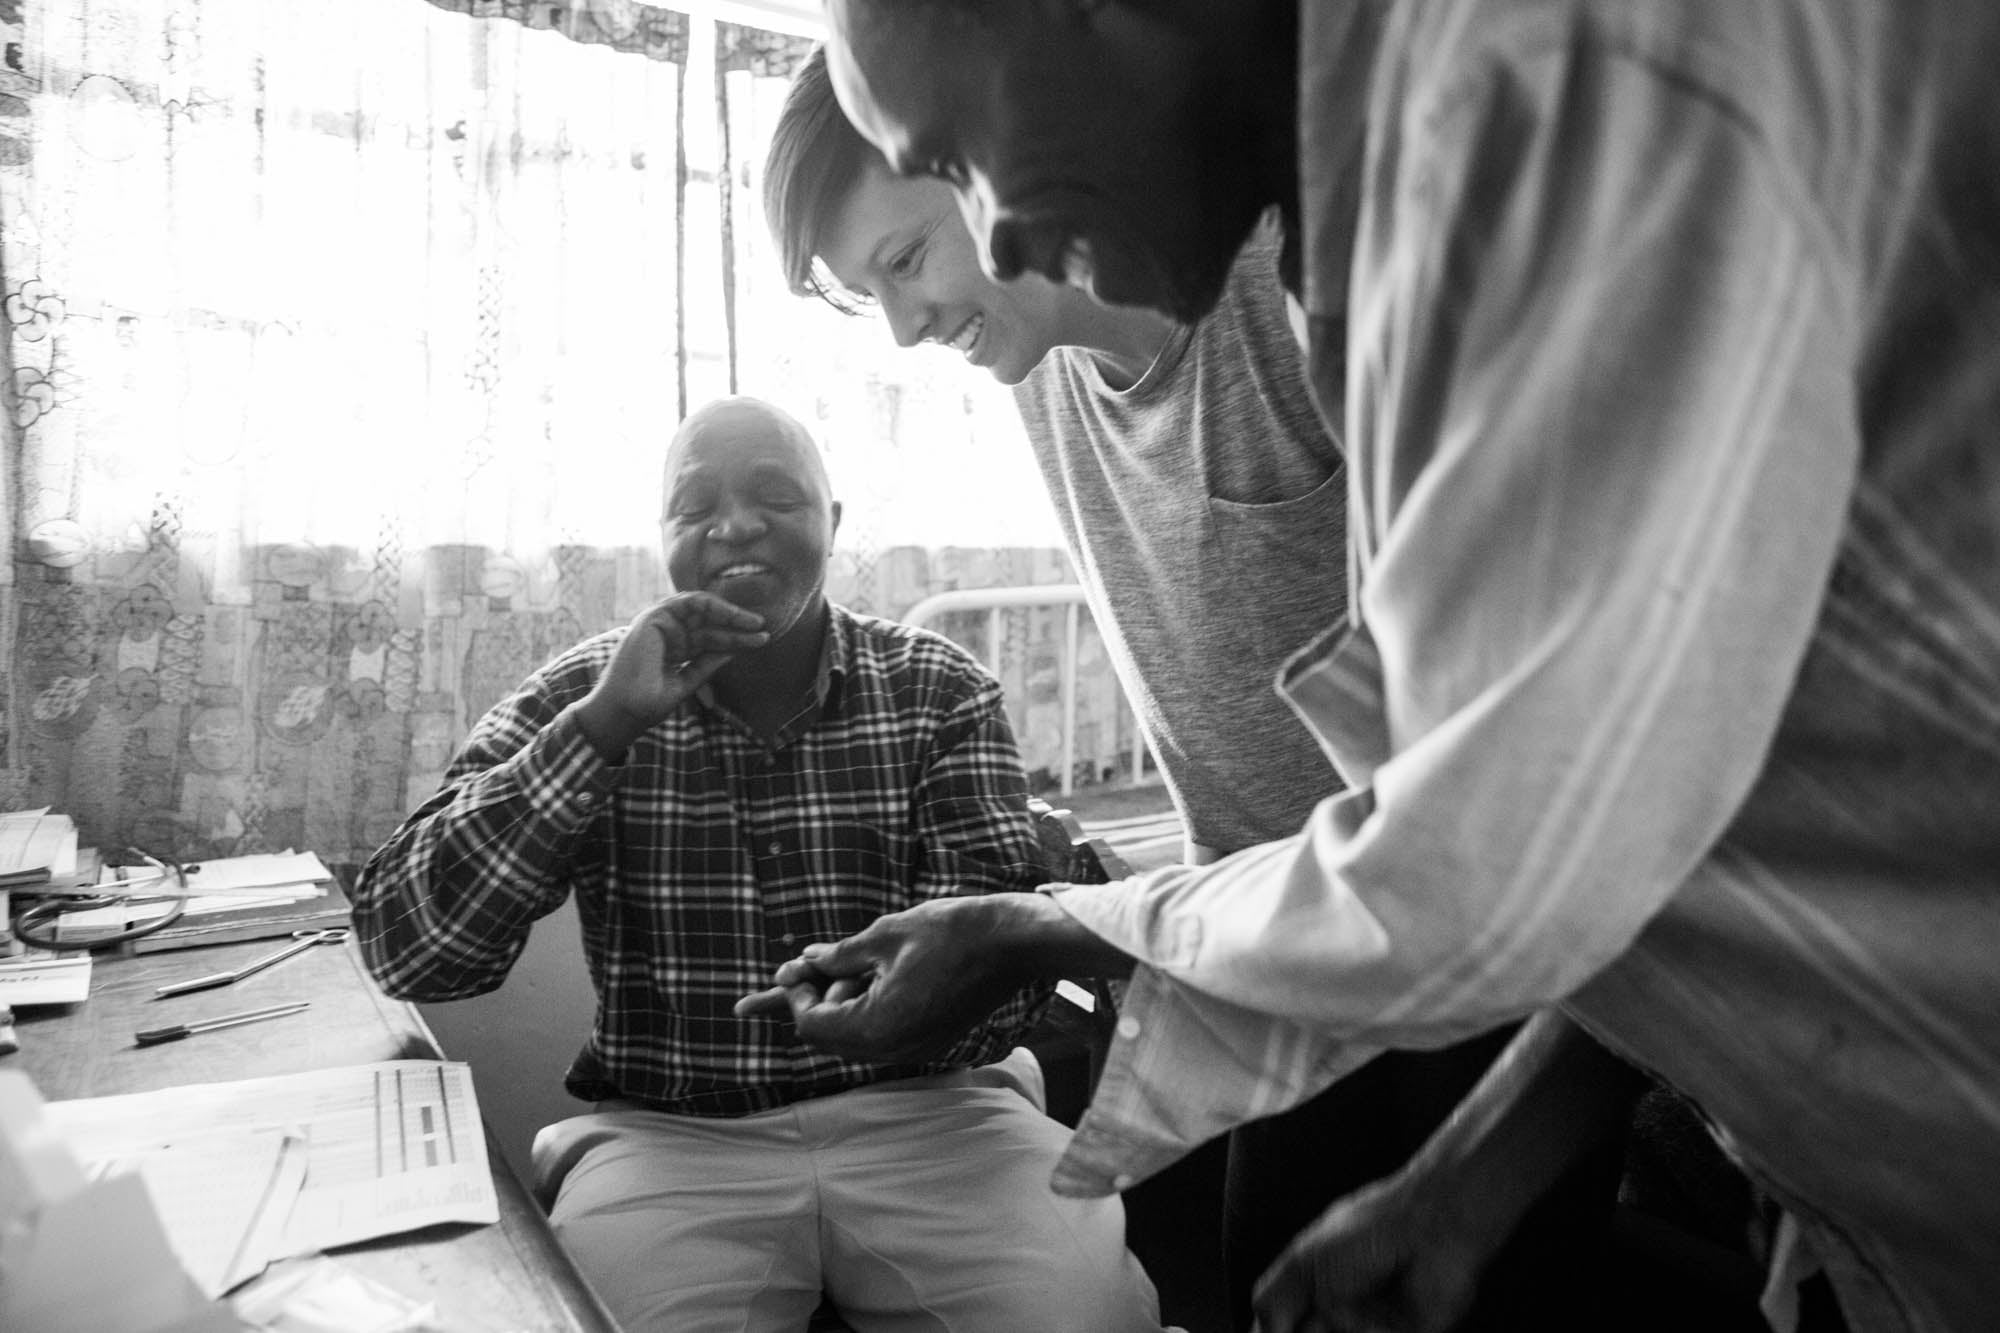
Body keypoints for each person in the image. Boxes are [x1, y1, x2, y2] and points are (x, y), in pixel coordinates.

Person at [739, 3, 2000, 1331]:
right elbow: (1597, 823)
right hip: (1789, 1110)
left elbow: (1497, 840)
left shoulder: (1520, 108)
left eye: (957, 159)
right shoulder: (1337, 228)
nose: (992, 242)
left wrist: (1045, 922)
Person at [760, 45, 1600, 1331]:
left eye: (907, 260)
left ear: (1002, 160)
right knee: (1266, 1278)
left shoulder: (1298, 288)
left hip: (1478, 937)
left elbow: (1537, 780)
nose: (906, 327)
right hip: (1265, 946)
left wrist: (1033, 926)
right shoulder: (1038, 378)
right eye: (864, 293)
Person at [350, 396, 1168, 1333]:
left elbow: (990, 947)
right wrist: (600, 734)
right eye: (694, 507)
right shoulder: (586, 694)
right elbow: (404, 950)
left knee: (1087, 1318)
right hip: (673, 1138)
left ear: (835, 522)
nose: (734, 526)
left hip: (936, 1117)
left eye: (775, 495)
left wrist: (915, 1002)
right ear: (663, 537)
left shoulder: (937, 689)